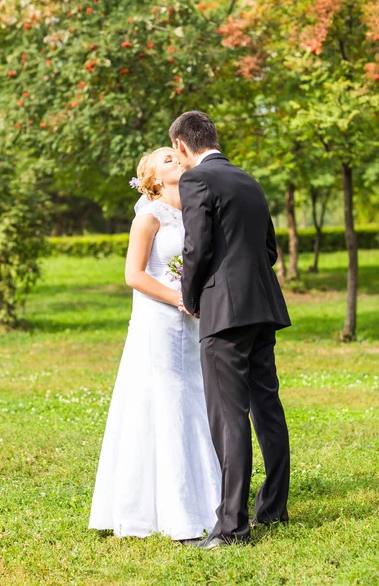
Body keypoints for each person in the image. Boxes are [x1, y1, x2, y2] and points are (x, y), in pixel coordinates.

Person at [170, 111, 291, 550]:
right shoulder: (248, 180)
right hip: (263, 307)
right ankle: (273, 509)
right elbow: (269, 250)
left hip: (226, 312)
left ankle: (232, 526)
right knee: (267, 408)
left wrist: (193, 295)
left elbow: (196, 245)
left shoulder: (195, 181)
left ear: (182, 146)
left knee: (228, 416)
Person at [88, 147, 221, 541]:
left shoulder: (193, 211)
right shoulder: (149, 216)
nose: (176, 159)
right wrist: (180, 299)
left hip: (193, 323)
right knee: (167, 402)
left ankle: (209, 501)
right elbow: (134, 274)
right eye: (166, 158)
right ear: (153, 178)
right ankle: (171, 512)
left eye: (177, 155)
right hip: (159, 322)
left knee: (194, 398)